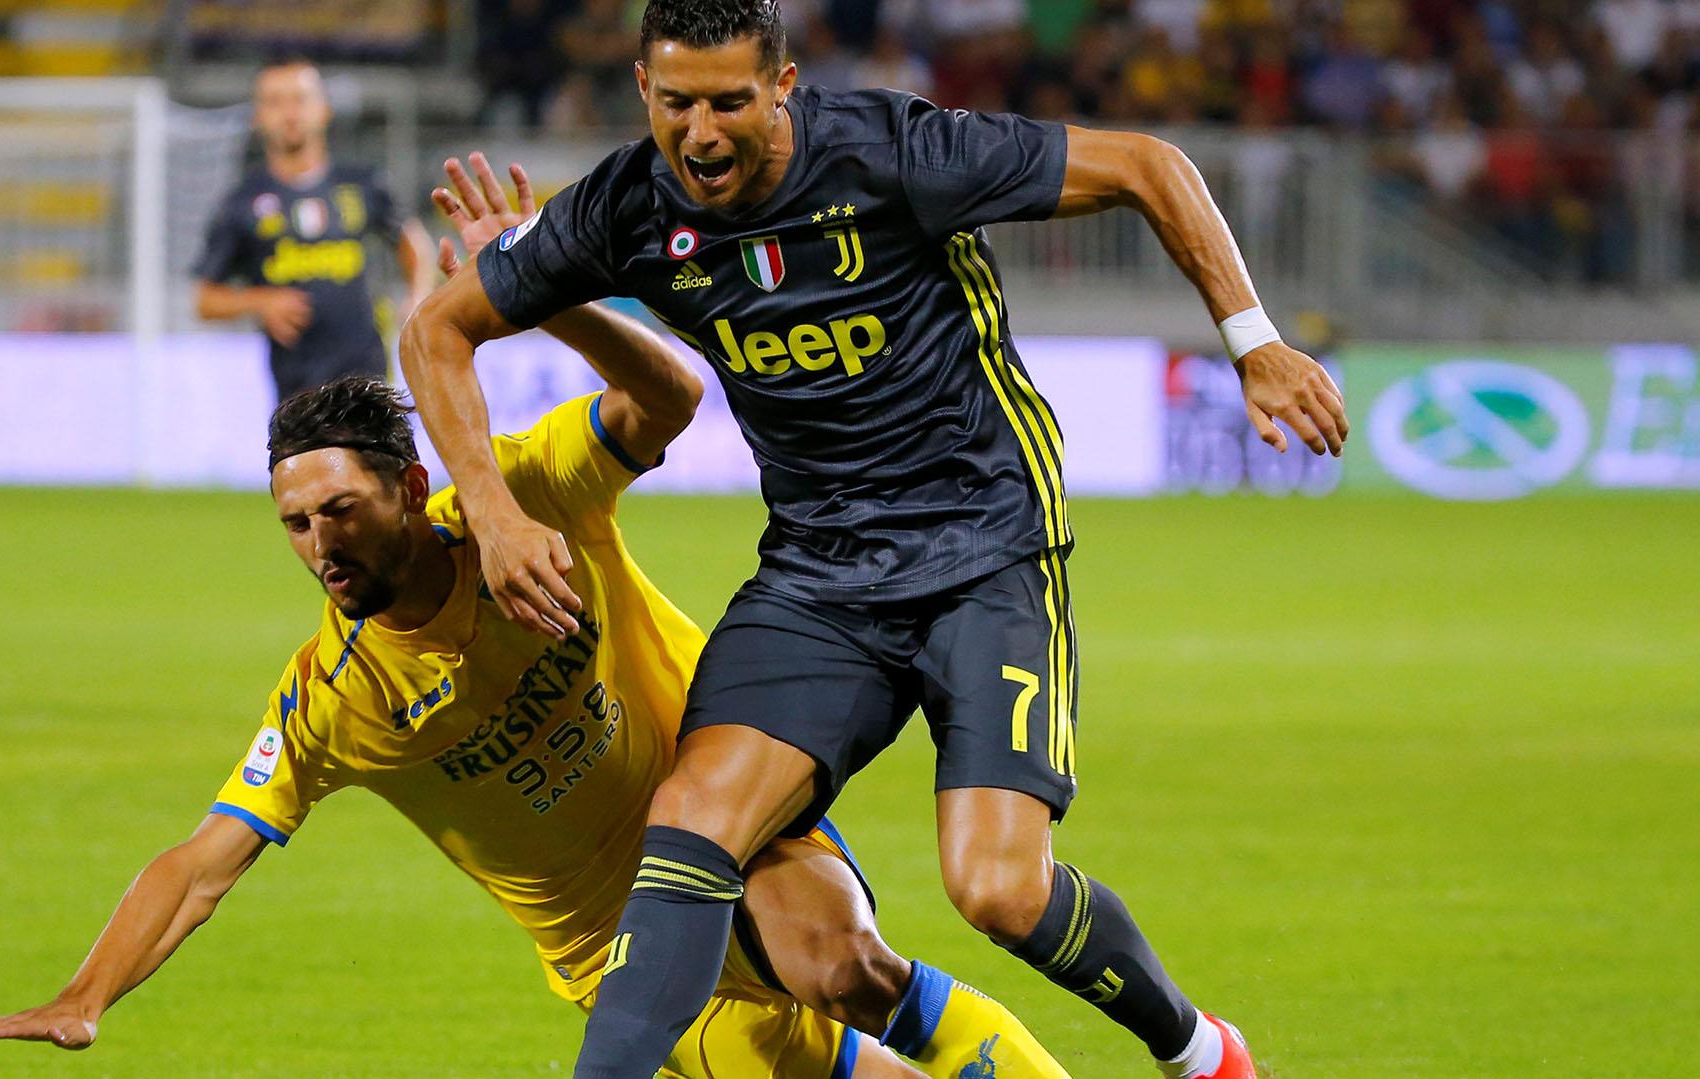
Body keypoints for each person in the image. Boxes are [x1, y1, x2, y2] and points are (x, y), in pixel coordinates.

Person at [0, 155, 1075, 1079]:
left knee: (843, 964)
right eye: (294, 522)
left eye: (339, 508)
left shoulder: (524, 493)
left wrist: (549, 290)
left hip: (728, 808)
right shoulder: (332, 698)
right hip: (612, 953)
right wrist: (84, 994)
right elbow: (200, 863)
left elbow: (673, 398)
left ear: (407, 485)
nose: (319, 544)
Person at [398, 2, 1352, 1079]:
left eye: (729, 102)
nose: (701, 133)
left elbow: (1149, 162)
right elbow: (436, 327)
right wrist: (492, 507)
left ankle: (1199, 1051)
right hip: (819, 572)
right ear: (641, 90)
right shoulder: (624, 205)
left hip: (983, 546)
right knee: (692, 821)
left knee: (997, 888)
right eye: (676, 104)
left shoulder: (896, 151)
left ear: (784, 87)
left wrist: (1255, 342)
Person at [193, 55, 431, 402]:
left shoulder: (362, 184)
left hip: (369, 378)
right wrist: (260, 302)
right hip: (296, 391)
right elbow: (205, 301)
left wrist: (417, 296)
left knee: (376, 455)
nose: (290, 113)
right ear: (257, 116)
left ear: (324, 109)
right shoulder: (241, 203)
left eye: (300, 99)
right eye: (275, 102)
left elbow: (412, 240)